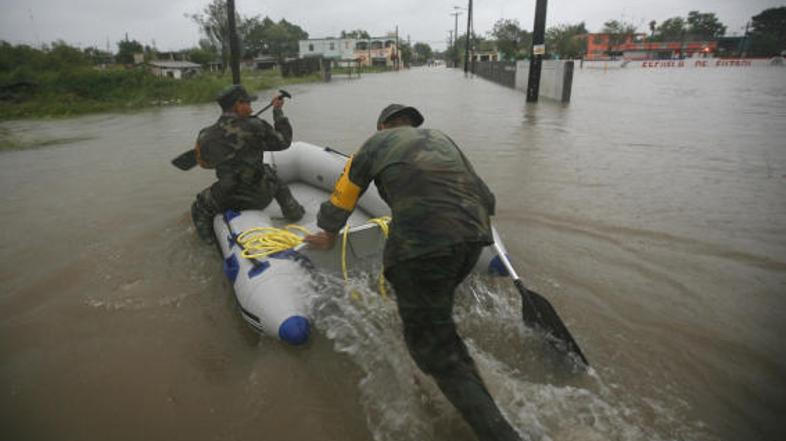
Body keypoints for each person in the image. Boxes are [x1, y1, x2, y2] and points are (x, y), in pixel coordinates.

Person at [304, 104, 522, 441]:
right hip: (472, 242)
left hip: (421, 250)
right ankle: (450, 352)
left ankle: (500, 433)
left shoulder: (374, 144)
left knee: (436, 353)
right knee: (436, 317)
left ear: (381, 126)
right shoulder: (441, 139)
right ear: (411, 124)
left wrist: (328, 233)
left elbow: (345, 193)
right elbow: (487, 199)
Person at [190, 85, 305, 243]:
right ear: (238, 104)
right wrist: (277, 111)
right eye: (248, 104)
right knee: (272, 176)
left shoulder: (205, 135)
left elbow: (205, 164)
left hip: (226, 198)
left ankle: (209, 242)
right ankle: (294, 213)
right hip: (259, 197)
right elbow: (284, 142)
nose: (251, 109)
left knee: (199, 206)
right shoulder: (256, 126)